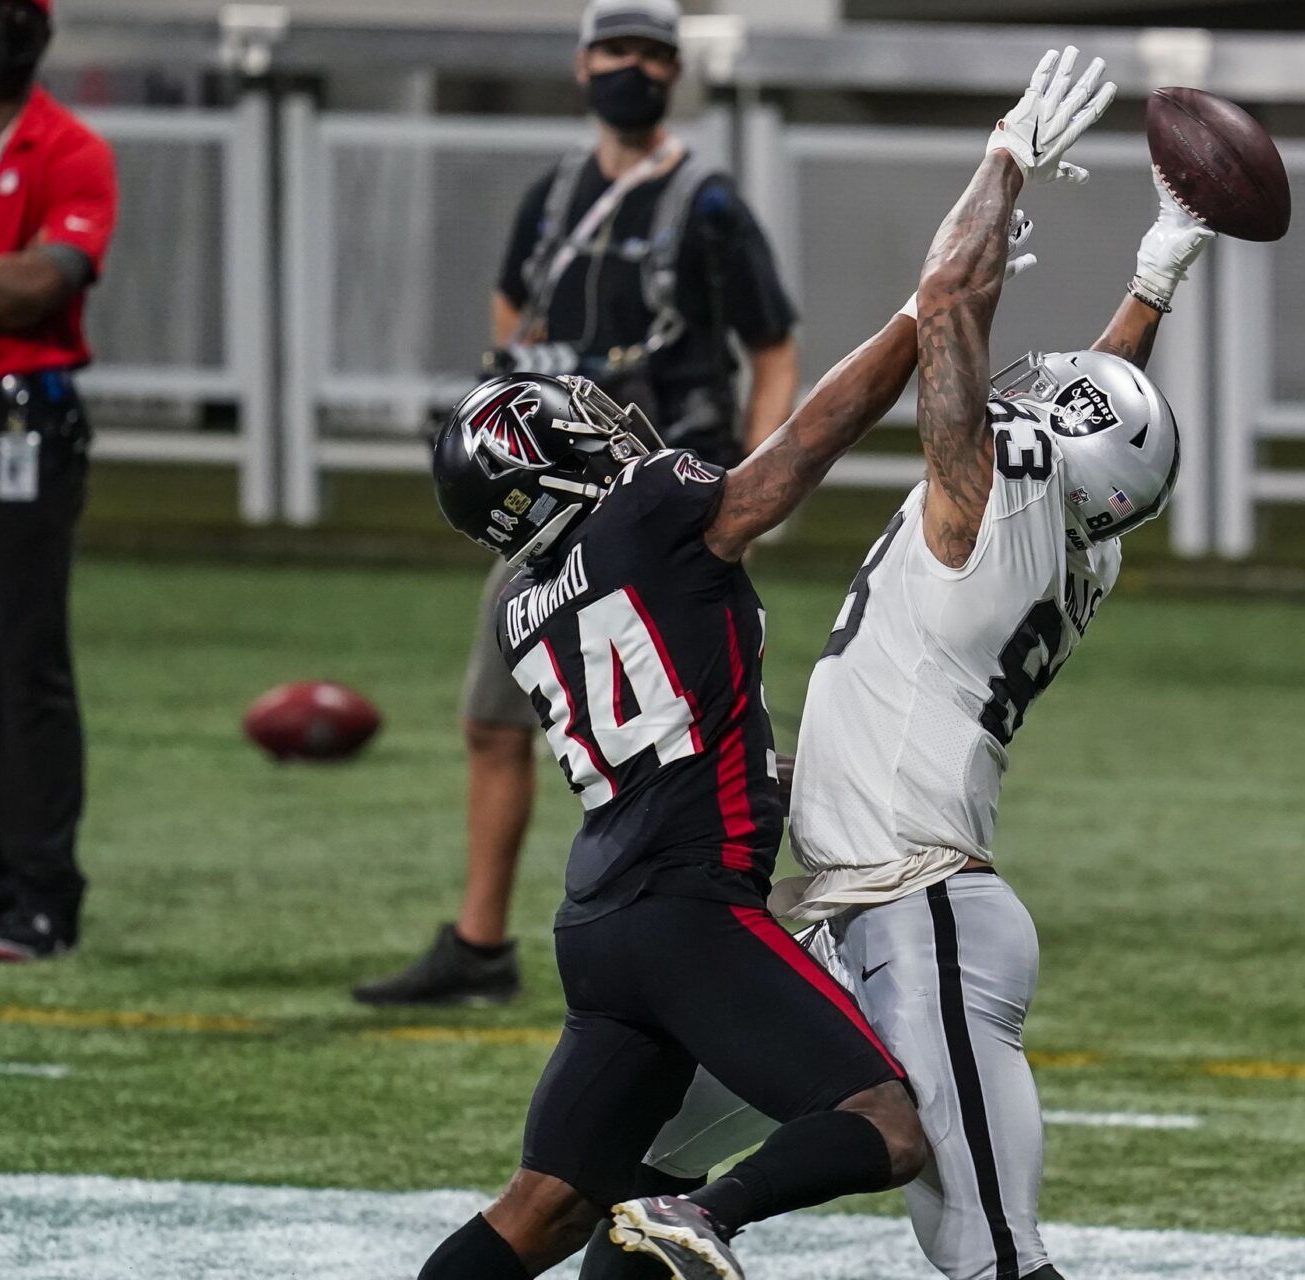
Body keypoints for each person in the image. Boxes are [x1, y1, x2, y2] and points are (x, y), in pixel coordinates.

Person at [412, 47, 1110, 1280]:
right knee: (884, 1123)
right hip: (691, 908)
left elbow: (685, 722)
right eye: (569, 422)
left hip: (596, 923)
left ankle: (660, 1218)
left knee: (542, 1208)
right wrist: (922, 314)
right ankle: (706, 1219)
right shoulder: (649, 509)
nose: (597, 419)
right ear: (550, 466)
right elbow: (799, 450)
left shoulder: (524, 601)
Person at [581, 46, 1214, 1280]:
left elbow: (951, 295)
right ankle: (691, 1219)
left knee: (990, 1257)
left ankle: (717, 1218)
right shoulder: (1073, 527)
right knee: (633, 1175)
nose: (1038, 388)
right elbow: (1104, 420)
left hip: (919, 913)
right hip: (843, 917)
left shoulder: (994, 491)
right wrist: (1155, 276)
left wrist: (1006, 162)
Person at [356, 0, 799, 1007]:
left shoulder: (708, 204)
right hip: (553, 508)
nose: (630, 69)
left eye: (650, 54)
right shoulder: (552, 198)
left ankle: (732, 919)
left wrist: (749, 483)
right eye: (615, 51)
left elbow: (773, 349)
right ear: (582, 64)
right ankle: (480, 943)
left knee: (689, 732)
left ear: (675, 71)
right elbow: (513, 312)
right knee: (495, 716)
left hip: (663, 507)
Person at [0, 0, 118, 962]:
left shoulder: (70, 148)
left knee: (28, 661)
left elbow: (44, 284)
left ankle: (44, 891)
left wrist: (1, 282)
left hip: (22, 413)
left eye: (22, 14)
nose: (4, 30)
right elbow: (4, 280)